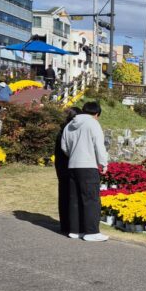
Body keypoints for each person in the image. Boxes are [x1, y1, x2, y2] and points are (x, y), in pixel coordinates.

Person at [61, 101, 110, 241]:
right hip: (88, 166)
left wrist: (73, 156)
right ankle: (92, 232)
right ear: (96, 114)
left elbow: (64, 146)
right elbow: (99, 145)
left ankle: (75, 230)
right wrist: (103, 163)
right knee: (91, 199)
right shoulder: (93, 123)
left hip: (72, 165)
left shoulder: (69, 125)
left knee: (75, 199)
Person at [54, 106, 81, 236]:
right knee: (72, 195)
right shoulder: (70, 130)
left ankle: (64, 224)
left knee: (63, 194)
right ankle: (72, 225)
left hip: (60, 165)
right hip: (69, 165)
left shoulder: (62, 128)